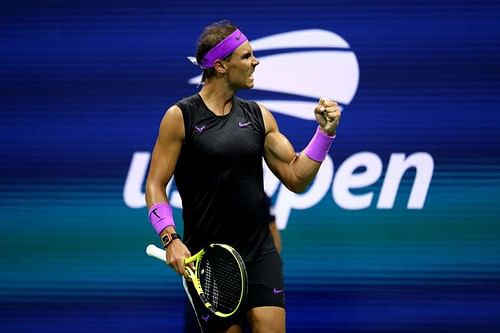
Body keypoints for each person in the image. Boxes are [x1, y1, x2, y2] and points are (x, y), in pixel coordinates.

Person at [145, 20, 341, 333]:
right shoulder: (180, 118)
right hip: (208, 260)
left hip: (259, 253)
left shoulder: (259, 116)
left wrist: (325, 134)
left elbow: (296, 177)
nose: (256, 62)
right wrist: (171, 239)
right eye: (247, 56)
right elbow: (155, 184)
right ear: (221, 65)